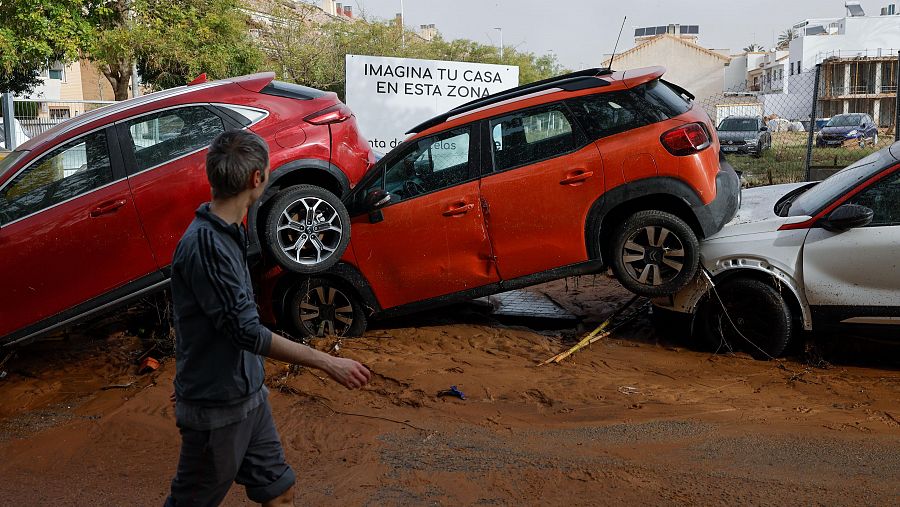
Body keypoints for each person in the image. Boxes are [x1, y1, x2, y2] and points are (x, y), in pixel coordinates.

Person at [165, 130, 371, 506]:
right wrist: (327, 362)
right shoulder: (207, 246)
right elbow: (247, 333)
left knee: (279, 492)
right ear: (256, 179)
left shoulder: (230, 230)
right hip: (218, 408)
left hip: (249, 397)